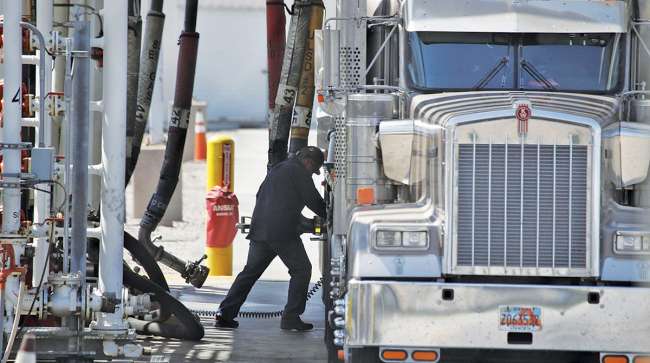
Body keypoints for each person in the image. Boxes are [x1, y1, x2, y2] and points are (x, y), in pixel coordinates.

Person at [215, 146, 327, 331]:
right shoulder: (298, 172)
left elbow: (267, 197)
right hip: (282, 233)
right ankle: (291, 316)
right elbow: (313, 200)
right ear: (308, 162)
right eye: (313, 170)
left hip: (260, 229)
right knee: (302, 269)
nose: (312, 174)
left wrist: (300, 221)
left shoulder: (279, 168)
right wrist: (331, 214)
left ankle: (225, 313)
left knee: (249, 273)